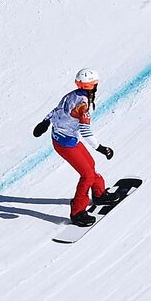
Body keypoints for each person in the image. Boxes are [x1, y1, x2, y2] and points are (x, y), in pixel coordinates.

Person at [33, 69, 116, 226]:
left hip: (66, 138)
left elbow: (56, 110)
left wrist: (45, 121)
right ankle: (77, 212)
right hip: (65, 144)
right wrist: (101, 148)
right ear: (92, 86)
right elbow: (85, 131)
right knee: (87, 175)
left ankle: (99, 195)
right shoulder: (83, 106)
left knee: (90, 166)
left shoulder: (71, 95)